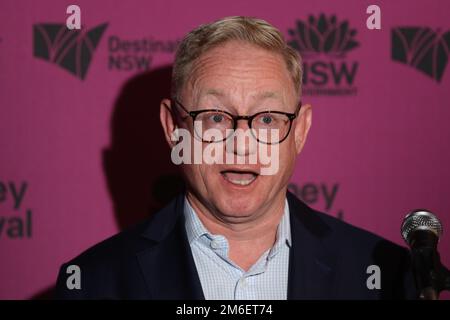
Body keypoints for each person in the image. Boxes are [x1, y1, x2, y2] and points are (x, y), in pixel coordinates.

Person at [55, 16, 418, 299]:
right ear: (172, 127)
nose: (241, 144)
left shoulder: (386, 275)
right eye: (214, 117)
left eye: (266, 119)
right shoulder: (93, 283)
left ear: (301, 130)